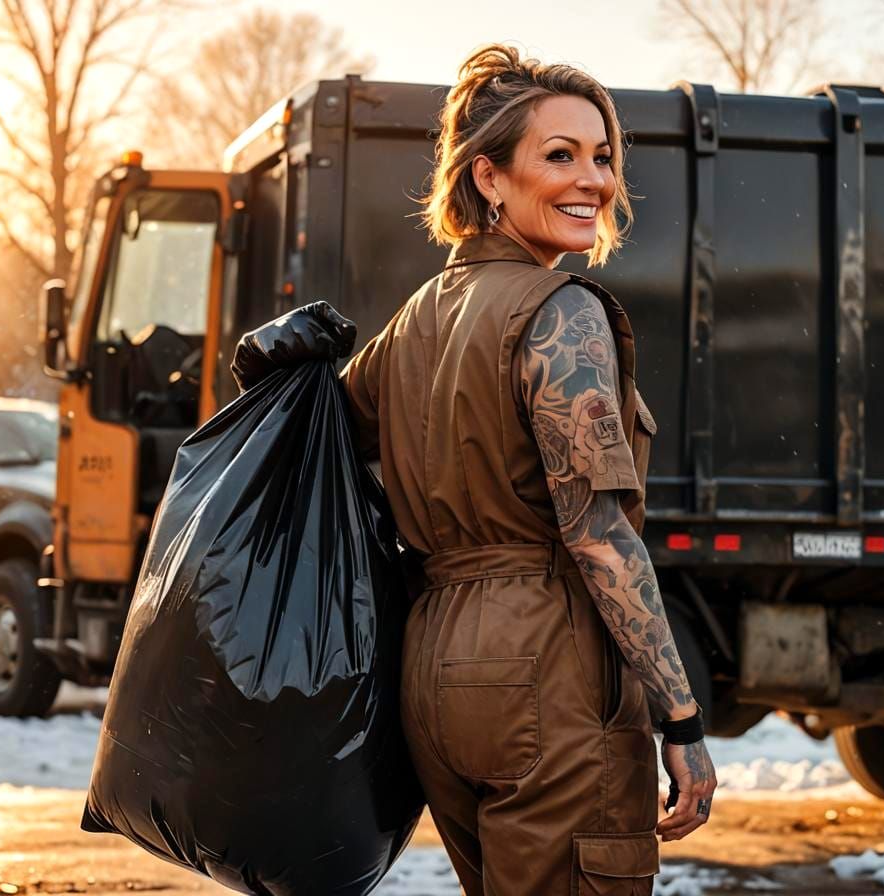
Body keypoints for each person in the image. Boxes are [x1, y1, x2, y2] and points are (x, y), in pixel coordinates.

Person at [240, 43, 718, 894]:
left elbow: (322, 440)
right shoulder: (562, 312)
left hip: (433, 671)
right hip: (546, 664)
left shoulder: (416, 317)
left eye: (602, 156)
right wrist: (679, 717)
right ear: (488, 177)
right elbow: (599, 535)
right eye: (560, 156)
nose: (593, 180)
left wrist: (279, 376)